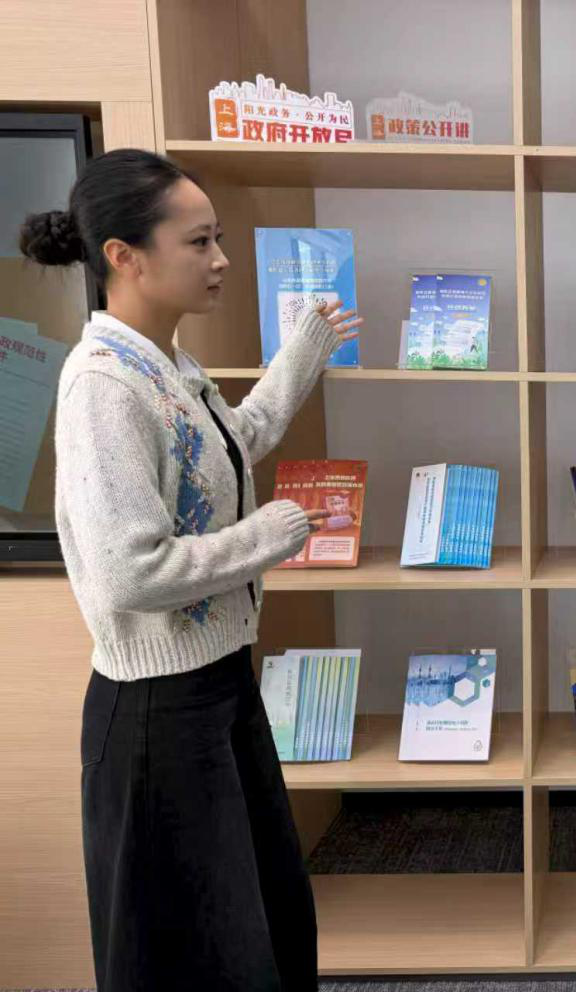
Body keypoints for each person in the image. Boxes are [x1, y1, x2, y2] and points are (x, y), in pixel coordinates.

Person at [20, 148, 362, 991]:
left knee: (263, 930)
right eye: (199, 242)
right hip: (157, 717)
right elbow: (130, 571)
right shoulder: (104, 385)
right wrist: (270, 534)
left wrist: (303, 352)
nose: (221, 261)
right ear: (125, 257)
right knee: (195, 956)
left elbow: (234, 444)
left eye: (220, 240)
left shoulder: (165, 367)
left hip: (218, 691)